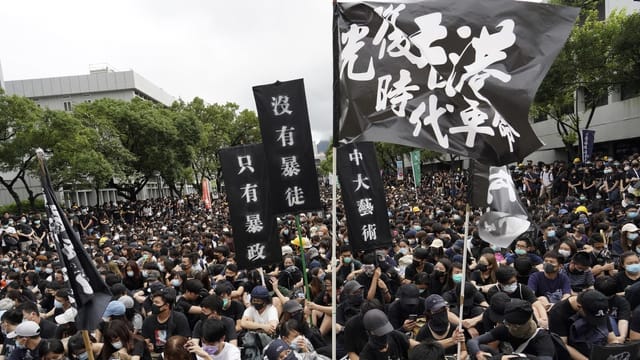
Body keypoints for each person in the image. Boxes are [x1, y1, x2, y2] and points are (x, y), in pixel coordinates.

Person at [468, 299, 555, 360]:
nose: (510, 328)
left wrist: (519, 356)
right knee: (482, 348)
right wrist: (478, 353)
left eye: (513, 326)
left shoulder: (543, 338)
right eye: (507, 324)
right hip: (509, 356)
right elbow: (473, 341)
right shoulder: (505, 329)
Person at [141, 287, 191, 355]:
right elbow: (145, 339)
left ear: (166, 305)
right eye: (153, 302)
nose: (153, 305)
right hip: (154, 353)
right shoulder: (148, 320)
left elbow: (184, 341)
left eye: (157, 303)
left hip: (175, 354)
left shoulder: (180, 318)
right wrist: (147, 346)